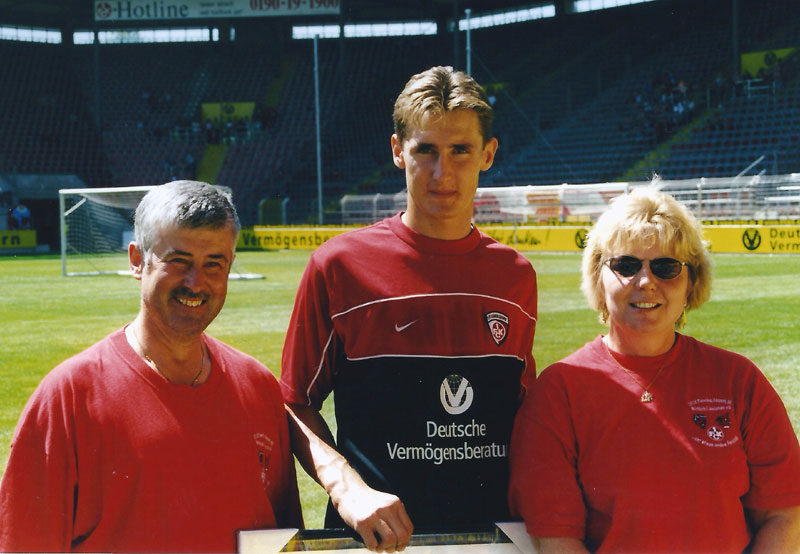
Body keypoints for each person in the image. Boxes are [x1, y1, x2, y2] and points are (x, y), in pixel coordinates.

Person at [280, 66, 538, 552]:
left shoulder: (515, 275)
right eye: (425, 150)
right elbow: (292, 403)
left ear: (488, 153)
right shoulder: (338, 267)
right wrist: (346, 488)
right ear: (398, 151)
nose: (442, 172)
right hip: (376, 541)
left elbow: (526, 408)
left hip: (493, 539)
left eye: (460, 150)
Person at [0, 180, 303, 553]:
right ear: (136, 261)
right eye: (178, 261)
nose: (196, 283)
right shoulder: (68, 398)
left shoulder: (258, 387)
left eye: (214, 264)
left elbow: (280, 543)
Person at [509, 184, 800, 553]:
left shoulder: (739, 380)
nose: (646, 282)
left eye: (666, 267)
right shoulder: (558, 393)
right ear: (599, 276)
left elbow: (784, 512)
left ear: (691, 282)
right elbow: (556, 538)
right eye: (627, 265)